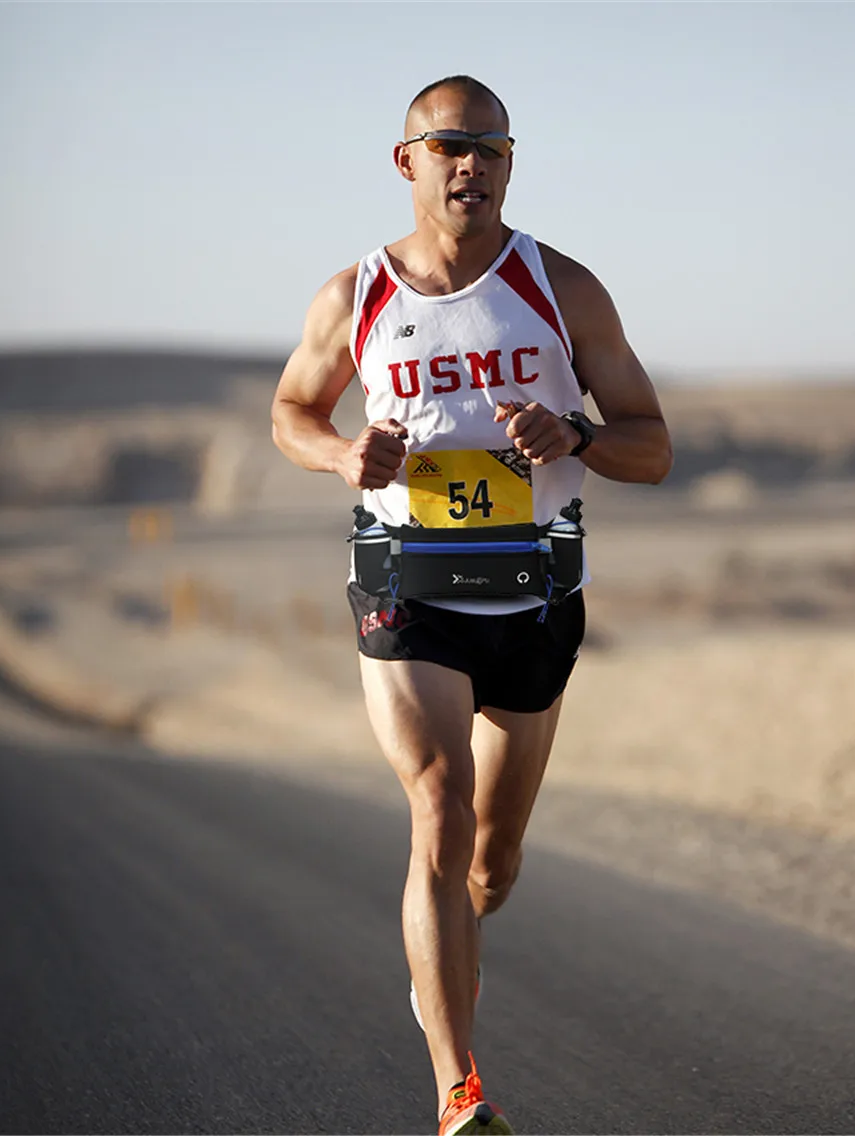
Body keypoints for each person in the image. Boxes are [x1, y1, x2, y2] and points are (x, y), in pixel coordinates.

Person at [271, 74, 672, 1136]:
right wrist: (346, 451)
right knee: (438, 805)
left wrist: (577, 436)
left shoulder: (561, 289)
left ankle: (454, 951)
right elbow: (290, 411)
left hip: (535, 590)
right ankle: (460, 1090)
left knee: (489, 860)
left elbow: (652, 444)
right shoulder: (353, 297)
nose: (472, 164)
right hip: (407, 578)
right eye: (450, 145)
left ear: (509, 162)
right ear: (405, 162)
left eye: (492, 147)